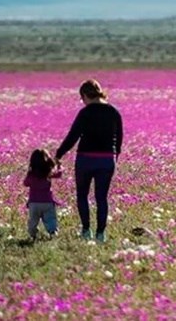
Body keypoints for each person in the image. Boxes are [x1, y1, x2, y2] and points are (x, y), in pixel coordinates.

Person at [55, 79, 123, 243]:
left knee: (82, 196)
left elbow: (73, 136)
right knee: (102, 198)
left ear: (85, 95)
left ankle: (86, 230)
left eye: (82, 98)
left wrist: (58, 154)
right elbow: (119, 138)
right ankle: (101, 234)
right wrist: (115, 156)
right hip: (107, 160)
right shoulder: (114, 112)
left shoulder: (85, 112)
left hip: (85, 159)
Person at [23, 149, 62, 241]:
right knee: (50, 219)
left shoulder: (31, 174)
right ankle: (53, 232)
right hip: (47, 202)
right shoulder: (48, 174)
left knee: (33, 220)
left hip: (34, 203)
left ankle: (32, 234)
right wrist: (59, 165)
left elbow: (25, 183)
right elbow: (59, 174)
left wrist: (29, 174)